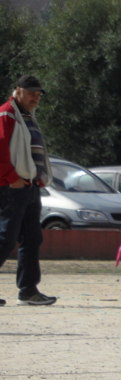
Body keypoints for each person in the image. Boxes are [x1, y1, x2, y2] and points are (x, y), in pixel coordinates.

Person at [0, 75, 57, 306]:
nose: (36, 97)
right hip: (11, 185)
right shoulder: (7, 113)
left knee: (33, 238)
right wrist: (11, 177)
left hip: (29, 185)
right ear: (18, 91)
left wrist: (39, 176)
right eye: (31, 92)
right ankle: (28, 290)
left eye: (38, 93)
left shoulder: (27, 116)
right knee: (6, 237)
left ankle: (28, 291)